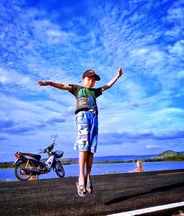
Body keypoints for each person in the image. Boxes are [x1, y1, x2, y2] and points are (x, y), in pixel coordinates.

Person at [38, 68, 123, 196]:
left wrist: (117, 76)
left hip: (94, 117)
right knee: (83, 146)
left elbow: (107, 86)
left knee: (91, 148)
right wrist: (49, 83)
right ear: (83, 80)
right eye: (89, 79)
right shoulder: (77, 89)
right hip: (82, 116)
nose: (91, 82)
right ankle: (81, 177)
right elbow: (62, 86)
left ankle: (88, 176)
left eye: (93, 80)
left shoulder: (95, 91)